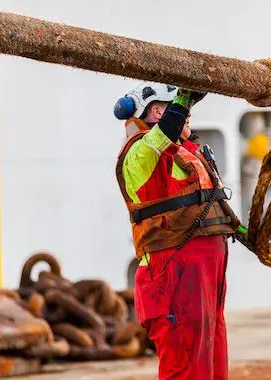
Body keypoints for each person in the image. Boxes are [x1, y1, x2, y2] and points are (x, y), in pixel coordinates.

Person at [113, 82, 239, 379]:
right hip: (172, 277)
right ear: (156, 112)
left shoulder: (186, 154)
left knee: (212, 364)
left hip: (203, 279)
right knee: (185, 365)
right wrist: (184, 97)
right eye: (182, 110)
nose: (189, 117)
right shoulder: (139, 156)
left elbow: (210, 207)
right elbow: (160, 139)